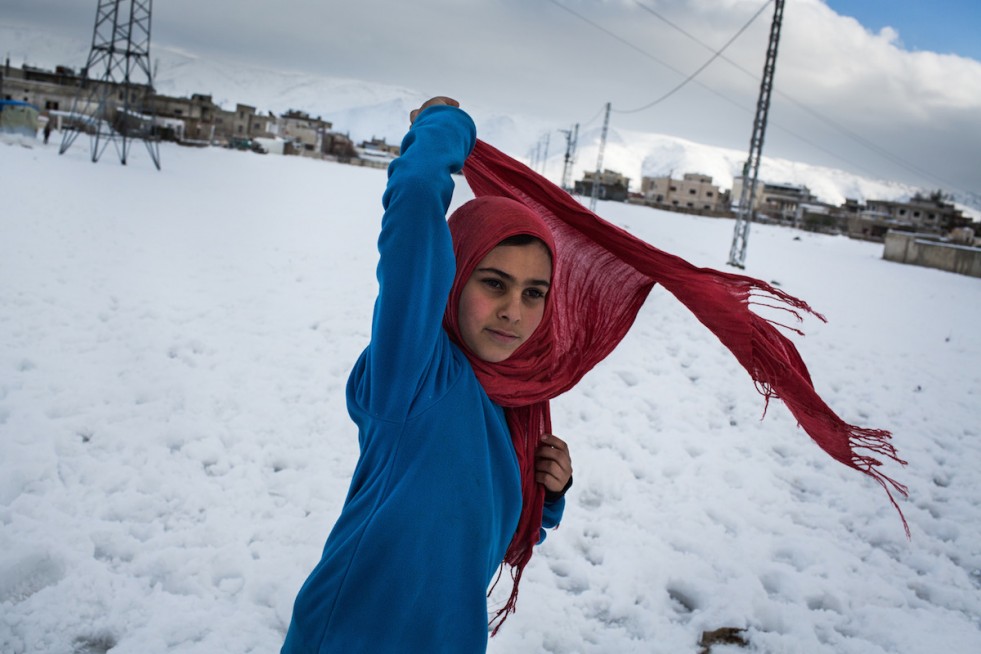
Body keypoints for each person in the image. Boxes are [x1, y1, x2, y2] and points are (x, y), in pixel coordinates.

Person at [281, 97, 573, 653]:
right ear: (454, 274)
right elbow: (415, 200)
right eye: (494, 283)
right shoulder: (413, 373)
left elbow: (491, 538)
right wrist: (442, 124)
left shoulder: (517, 407)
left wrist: (548, 494)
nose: (515, 310)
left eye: (534, 293)